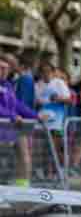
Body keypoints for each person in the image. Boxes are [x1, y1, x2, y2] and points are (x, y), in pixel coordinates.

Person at [0, 54, 36, 187]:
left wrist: (36, 116)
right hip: (4, 126)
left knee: (24, 156)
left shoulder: (8, 85)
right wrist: (13, 116)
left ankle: (23, 189)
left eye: (6, 68)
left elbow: (18, 105)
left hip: (13, 128)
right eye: (1, 68)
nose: (3, 71)